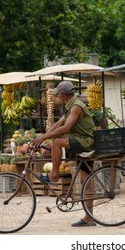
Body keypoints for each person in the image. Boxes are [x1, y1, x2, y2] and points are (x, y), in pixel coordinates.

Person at [30, 81, 96, 227]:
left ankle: (53, 175)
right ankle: (89, 218)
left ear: (63, 94)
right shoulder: (70, 106)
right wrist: (43, 136)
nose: (57, 97)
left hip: (86, 142)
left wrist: (46, 138)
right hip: (81, 142)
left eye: (58, 94)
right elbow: (58, 124)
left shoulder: (76, 106)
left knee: (57, 142)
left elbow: (67, 127)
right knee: (85, 182)